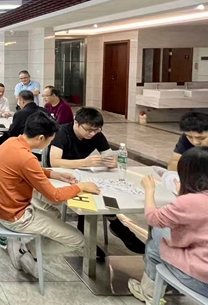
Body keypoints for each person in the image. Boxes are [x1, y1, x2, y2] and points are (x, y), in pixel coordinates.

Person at [128, 147, 208, 305]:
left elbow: (153, 218)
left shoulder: (191, 201)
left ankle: (150, 295)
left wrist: (149, 190)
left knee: (155, 242)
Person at [0, 112, 100, 277]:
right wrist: (81, 187)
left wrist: (54, 174)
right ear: (40, 138)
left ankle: (27, 248)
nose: (50, 143)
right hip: (16, 216)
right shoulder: (27, 158)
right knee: (78, 240)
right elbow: (55, 195)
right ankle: (28, 249)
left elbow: (29, 169)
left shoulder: (12, 142)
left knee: (54, 213)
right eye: (50, 140)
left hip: (1, 208)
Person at [49, 107, 146, 254]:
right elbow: (54, 162)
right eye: (88, 130)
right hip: (62, 175)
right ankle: (107, 228)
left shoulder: (96, 135)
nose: (92, 134)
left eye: (96, 130)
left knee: (101, 189)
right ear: (76, 123)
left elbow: (109, 155)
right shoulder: (62, 133)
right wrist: (84, 162)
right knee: (88, 190)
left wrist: (112, 162)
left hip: (83, 173)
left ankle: (109, 226)